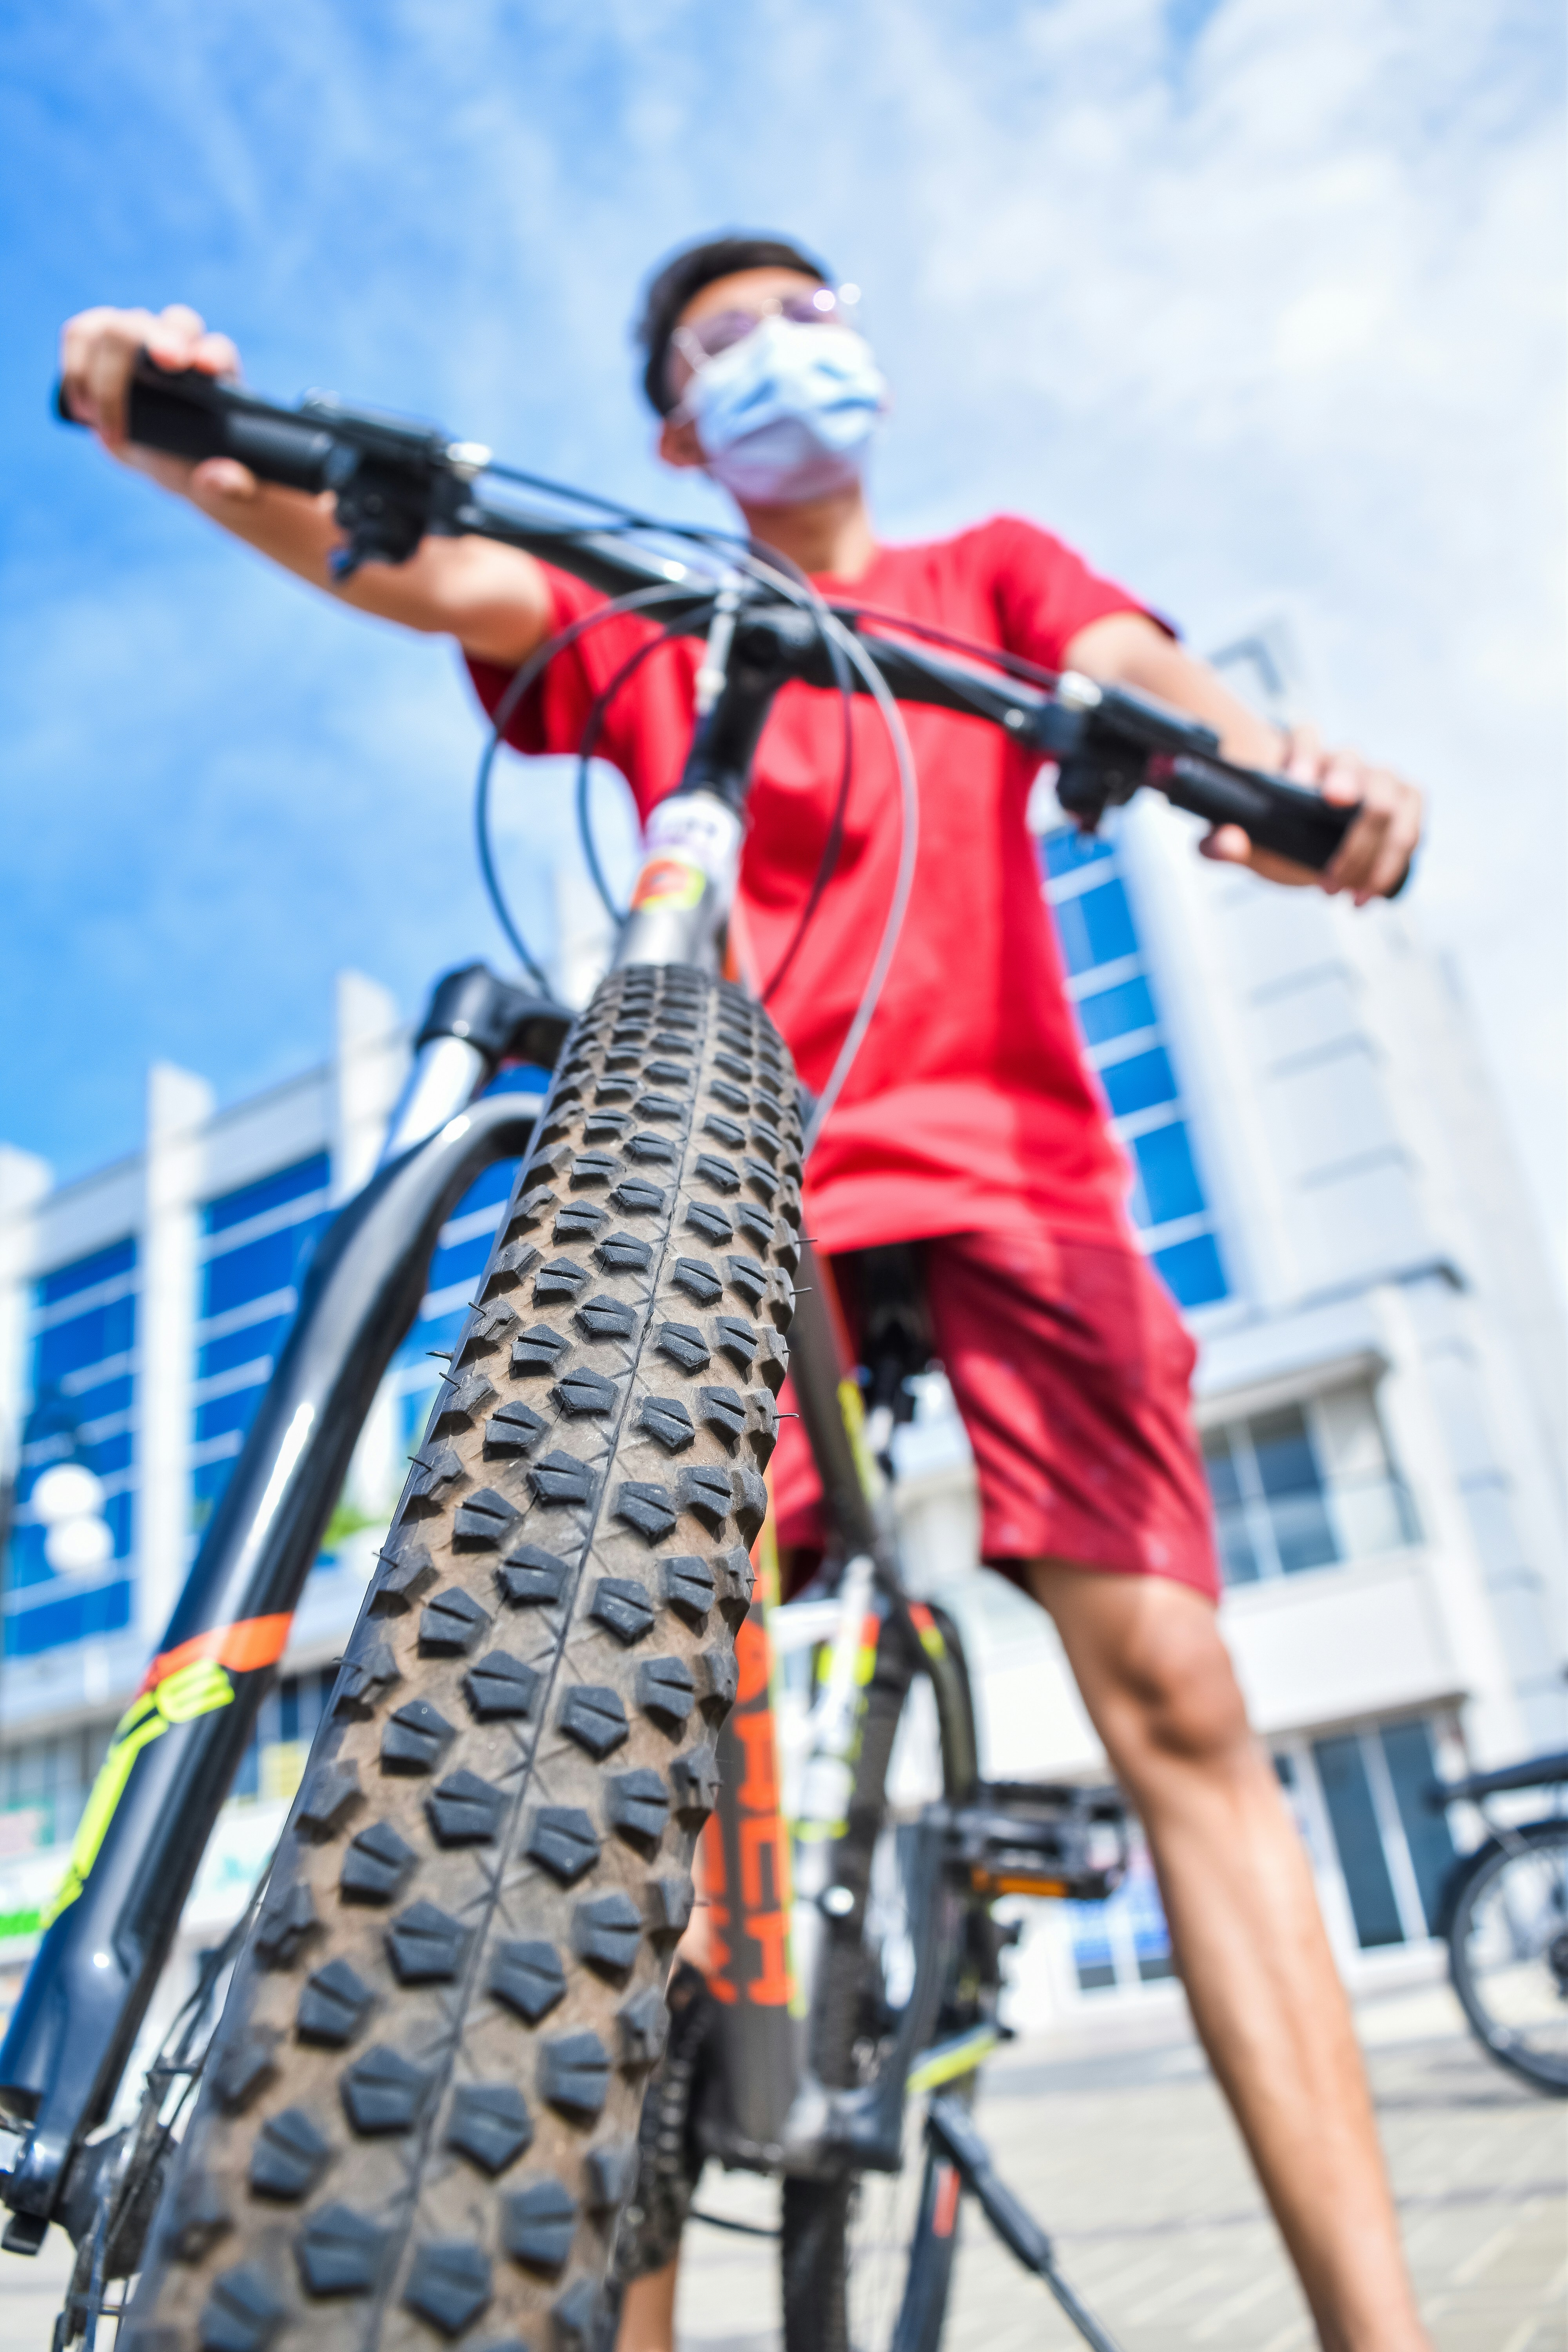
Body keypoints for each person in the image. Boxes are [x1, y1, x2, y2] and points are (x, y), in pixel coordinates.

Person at [60, 234, 1428, 2352]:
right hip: (731, 1186)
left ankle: (1379, 2334)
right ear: (679, 430)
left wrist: (1279, 768)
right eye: (726, 341)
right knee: (627, 1739)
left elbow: (1150, 678)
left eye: (811, 309)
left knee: (1174, 1686)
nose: (791, 350)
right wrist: (190, 449)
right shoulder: (655, 614)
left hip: (1010, 1174)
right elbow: (427, 572)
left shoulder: (986, 578)